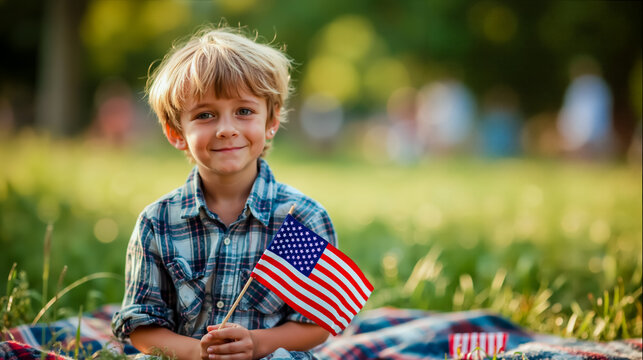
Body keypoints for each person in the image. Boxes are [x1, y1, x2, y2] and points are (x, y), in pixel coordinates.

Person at [111, 26, 336, 360]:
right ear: (176, 133)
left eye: (244, 111)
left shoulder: (298, 219)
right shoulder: (158, 222)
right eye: (205, 115)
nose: (226, 128)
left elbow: (317, 322)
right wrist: (198, 353)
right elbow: (142, 326)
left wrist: (257, 344)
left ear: (271, 120)